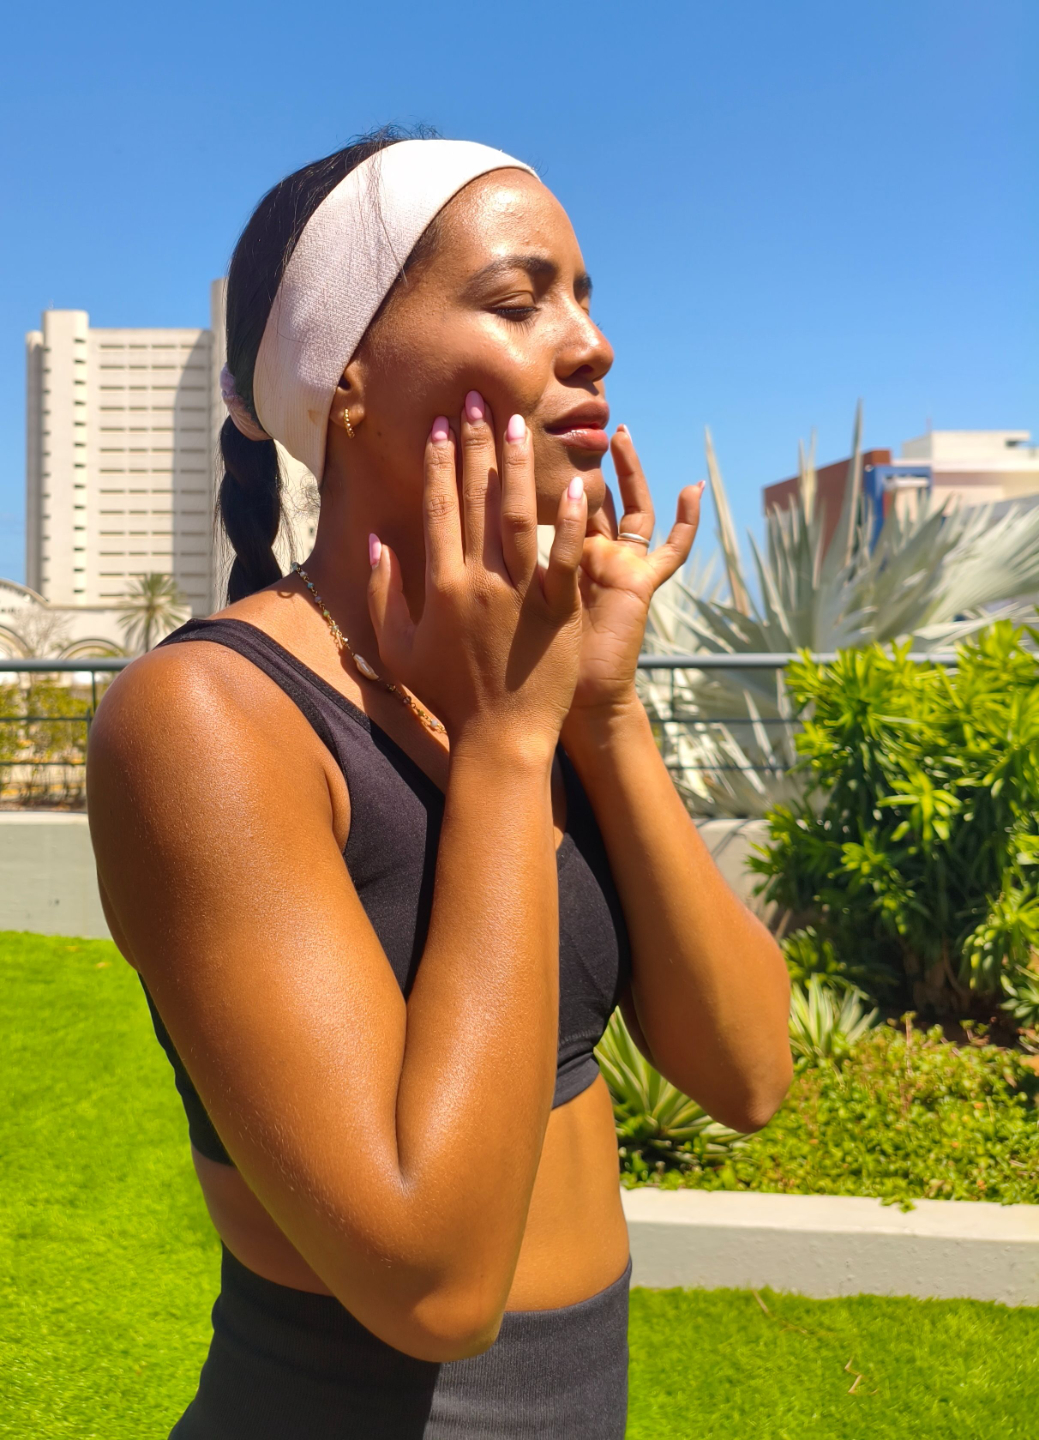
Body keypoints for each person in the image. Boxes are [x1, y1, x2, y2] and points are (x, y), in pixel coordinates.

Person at [87, 128, 792, 1439]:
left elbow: (746, 1075)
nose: (590, 344)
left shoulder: (519, 678)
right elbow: (434, 1284)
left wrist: (599, 707)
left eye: (586, 296)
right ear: (344, 377)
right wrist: (508, 751)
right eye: (521, 302)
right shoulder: (208, 720)